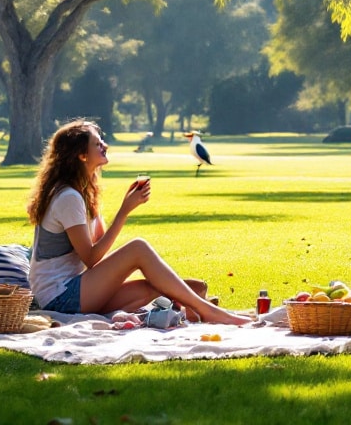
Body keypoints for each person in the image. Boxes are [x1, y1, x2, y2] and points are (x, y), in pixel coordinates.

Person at [26, 119, 247, 324]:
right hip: (59, 297)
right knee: (138, 248)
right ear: (82, 155)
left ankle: (195, 308)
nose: (105, 145)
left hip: (77, 290)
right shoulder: (68, 197)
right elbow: (92, 258)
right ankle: (208, 311)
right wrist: (124, 211)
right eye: (97, 143)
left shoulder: (84, 192)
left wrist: (134, 269)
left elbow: (101, 246)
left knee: (152, 287)